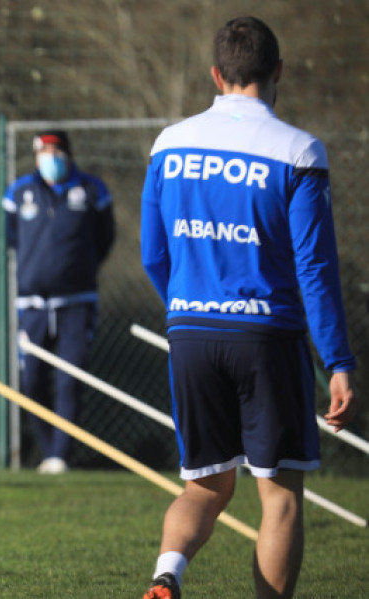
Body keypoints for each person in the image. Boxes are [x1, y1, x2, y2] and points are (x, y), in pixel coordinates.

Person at [139, 16, 357, 599]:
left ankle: (167, 574)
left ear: (216, 74)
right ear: (278, 70)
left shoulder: (170, 144)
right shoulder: (298, 150)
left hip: (188, 333)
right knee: (279, 495)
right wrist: (337, 359)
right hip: (267, 337)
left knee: (204, 485)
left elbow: (152, 253)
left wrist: (185, 310)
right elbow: (314, 268)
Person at [3, 130, 115, 474]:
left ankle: (59, 456)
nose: (48, 157)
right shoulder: (19, 191)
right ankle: (49, 448)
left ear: (67, 153)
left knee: (70, 378)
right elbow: (11, 237)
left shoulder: (93, 189)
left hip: (77, 303)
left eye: (54, 150)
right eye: (42, 151)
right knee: (32, 380)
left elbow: (105, 238)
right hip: (31, 305)